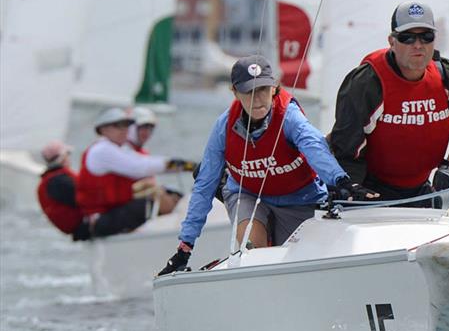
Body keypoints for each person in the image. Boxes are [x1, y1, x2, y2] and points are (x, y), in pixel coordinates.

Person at [158, 55, 378, 276]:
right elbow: (204, 186)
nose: (257, 99)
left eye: (263, 89)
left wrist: (342, 181)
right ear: (234, 92)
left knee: (298, 263)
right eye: (248, 92)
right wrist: (185, 248)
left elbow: (315, 148)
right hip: (249, 194)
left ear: (274, 88)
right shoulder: (223, 127)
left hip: (300, 199)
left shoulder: (290, 118)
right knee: (255, 252)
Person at [329, 1, 449, 207]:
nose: (418, 45)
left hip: (423, 191)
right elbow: (346, 146)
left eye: (426, 36)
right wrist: (350, 189)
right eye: (407, 37)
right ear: (392, 41)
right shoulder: (367, 82)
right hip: (371, 192)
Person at [75, 107, 193, 238]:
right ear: (104, 129)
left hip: (110, 215)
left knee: (172, 195)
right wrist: (187, 166)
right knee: (150, 203)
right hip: (99, 221)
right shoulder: (102, 150)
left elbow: (143, 164)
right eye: (119, 125)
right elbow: (141, 167)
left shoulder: (117, 149)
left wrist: (187, 166)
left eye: (127, 125)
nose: (125, 129)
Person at [36, 140, 92, 241]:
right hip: (84, 229)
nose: (69, 159)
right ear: (62, 158)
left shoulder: (53, 179)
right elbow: (84, 199)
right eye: (67, 155)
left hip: (81, 229)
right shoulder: (58, 181)